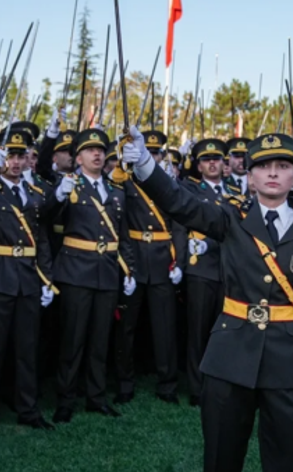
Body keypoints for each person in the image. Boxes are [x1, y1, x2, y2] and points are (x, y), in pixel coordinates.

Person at [122, 129, 293, 472]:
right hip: (230, 355)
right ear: (250, 176)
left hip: (290, 361)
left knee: (287, 460)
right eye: (263, 166)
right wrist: (145, 163)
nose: (272, 173)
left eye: (282, 166)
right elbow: (180, 202)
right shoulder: (230, 217)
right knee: (221, 457)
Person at [0, 128, 58, 436]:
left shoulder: (35, 194)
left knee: (26, 348)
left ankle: (28, 409)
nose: (17, 162)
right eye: (11, 156)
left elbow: (41, 239)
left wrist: (47, 278)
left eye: (21, 156)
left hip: (28, 278)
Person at [51, 128, 136, 423]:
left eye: (100, 150)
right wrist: (58, 196)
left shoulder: (115, 190)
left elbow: (123, 235)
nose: (97, 154)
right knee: (72, 340)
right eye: (90, 150)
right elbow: (47, 218)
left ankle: (96, 397)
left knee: (100, 340)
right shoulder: (69, 186)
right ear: (78, 158)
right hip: (76, 271)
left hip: (107, 272)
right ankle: (65, 399)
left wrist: (129, 269)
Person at [113, 130, 184, 405]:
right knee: (126, 327)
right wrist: (126, 264)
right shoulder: (125, 181)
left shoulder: (166, 183)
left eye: (156, 153)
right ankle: (124, 382)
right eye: (148, 152)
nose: (152, 156)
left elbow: (178, 224)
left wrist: (179, 261)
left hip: (163, 260)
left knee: (165, 327)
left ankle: (167, 384)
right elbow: (119, 222)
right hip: (134, 258)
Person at [179, 138, 242, 406]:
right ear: (198, 166)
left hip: (228, 268)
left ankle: (220, 383)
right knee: (198, 331)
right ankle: (196, 387)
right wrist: (180, 262)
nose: (212, 163)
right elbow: (180, 225)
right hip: (201, 268)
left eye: (217, 159)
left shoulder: (235, 190)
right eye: (206, 160)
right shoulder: (191, 189)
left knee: (224, 332)